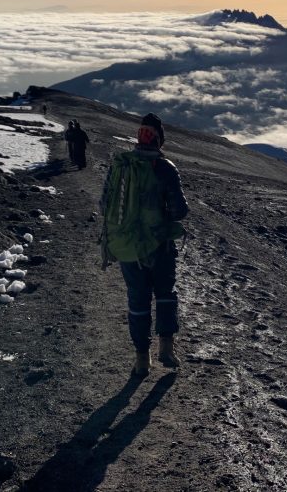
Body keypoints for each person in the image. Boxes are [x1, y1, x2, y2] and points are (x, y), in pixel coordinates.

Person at [100, 113, 189, 377]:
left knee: (137, 299)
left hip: (127, 246)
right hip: (158, 246)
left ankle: (141, 359)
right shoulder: (164, 167)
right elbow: (178, 212)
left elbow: (104, 205)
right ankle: (167, 349)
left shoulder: (121, 165)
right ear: (159, 139)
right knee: (164, 295)